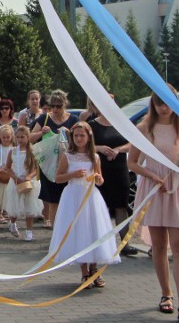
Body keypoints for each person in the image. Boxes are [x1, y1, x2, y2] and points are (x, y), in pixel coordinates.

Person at [128, 87, 179, 322]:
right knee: (159, 246)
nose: (163, 107)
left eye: (167, 102)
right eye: (159, 102)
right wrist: (152, 176)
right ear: (153, 103)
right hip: (154, 189)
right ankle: (166, 294)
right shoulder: (144, 128)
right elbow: (133, 162)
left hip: (177, 188)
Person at [50, 121, 118, 289]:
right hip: (73, 196)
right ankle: (84, 271)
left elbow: (100, 180)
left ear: (89, 137)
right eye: (76, 136)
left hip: (90, 197)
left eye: (82, 135)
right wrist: (72, 174)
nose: (79, 138)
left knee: (93, 230)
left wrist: (98, 178)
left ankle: (95, 269)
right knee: (78, 230)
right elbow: (58, 177)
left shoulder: (94, 156)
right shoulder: (68, 156)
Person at [88, 97, 138, 256]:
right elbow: (83, 146)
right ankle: (100, 243)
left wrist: (118, 149)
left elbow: (132, 143)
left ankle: (125, 244)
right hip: (99, 170)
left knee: (121, 207)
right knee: (99, 207)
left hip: (119, 169)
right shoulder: (92, 125)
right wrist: (99, 148)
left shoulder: (122, 122)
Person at [31, 89, 76, 228]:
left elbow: (82, 140)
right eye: (53, 106)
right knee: (52, 201)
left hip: (68, 166)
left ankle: (67, 230)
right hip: (49, 165)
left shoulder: (73, 119)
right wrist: (41, 132)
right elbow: (29, 138)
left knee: (68, 199)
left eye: (59, 106)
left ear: (65, 104)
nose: (55, 109)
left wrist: (69, 133)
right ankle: (55, 233)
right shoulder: (44, 118)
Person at [3, 126, 42, 241]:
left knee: (29, 206)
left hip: (29, 182)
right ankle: (13, 223)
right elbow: (8, 167)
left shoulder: (33, 151)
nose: (20, 139)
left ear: (28, 137)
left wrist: (29, 176)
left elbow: (36, 168)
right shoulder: (13, 151)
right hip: (16, 181)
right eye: (18, 137)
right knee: (14, 205)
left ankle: (29, 231)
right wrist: (16, 178)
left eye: (22, 137)